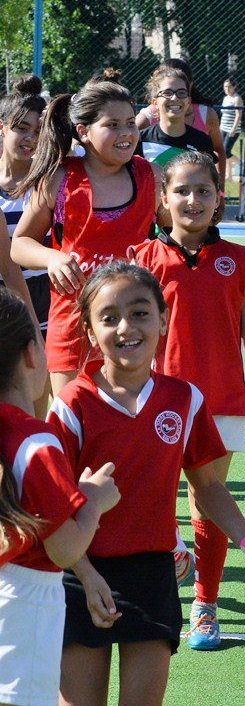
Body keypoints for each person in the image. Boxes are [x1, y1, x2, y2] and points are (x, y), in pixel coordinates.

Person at [48, 262, 245, 706]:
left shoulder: (183, 398)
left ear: (163, 319)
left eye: (140, 313)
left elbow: (207, 485)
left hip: (152, 573)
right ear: (88, 329)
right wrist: (84, 572)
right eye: (109, 317)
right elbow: (50, 508)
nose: (126, 327)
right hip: (79, 573)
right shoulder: (71, 405)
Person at [129, 151, 245, 650]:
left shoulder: (238, 259)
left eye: (204, 191)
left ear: (219, 200)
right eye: (182, 191)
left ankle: (205, 604)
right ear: (163, 200)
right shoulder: (142, 259)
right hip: (155, 400)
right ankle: (174, 551)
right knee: (150, 493)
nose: (193, 200)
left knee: (206, 497)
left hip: (219, 400)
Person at [0, 286, 118, 706]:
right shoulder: (35, 442)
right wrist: (93, 502)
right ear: (33, 353)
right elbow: (65, 548)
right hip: (23, 604)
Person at [11, 81, 162, 394]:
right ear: (83, 131)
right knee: (75, 430)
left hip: (131, 325)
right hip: (72, 326)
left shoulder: (151, 175)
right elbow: (20, 244)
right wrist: (52, 257)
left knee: (126, 429)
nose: (126, 133)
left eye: (131, 123)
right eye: (112, 125)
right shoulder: (59, 178)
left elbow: (176, 237)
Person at [0, 77, 49, 331]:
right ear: (2, 128)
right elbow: (8, 269)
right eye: (21, 127)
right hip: (6, 302)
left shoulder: (51, 179)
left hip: (49, 296)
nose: (30, 138)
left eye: (38, 131)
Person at [135, 58, 224, 176]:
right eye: (167, 93)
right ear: (155, 102)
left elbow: (206, 183)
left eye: (181, 93)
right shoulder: (140, 140)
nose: (174, 98)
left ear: (188, 101)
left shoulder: (202, 141)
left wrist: (220, 188)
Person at [219, 79, 245, 183]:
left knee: (226, 152)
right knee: (224, 153)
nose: (227, 89)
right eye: (225, 87)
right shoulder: (226, 98)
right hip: (223, 128)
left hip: (232, 129)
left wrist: (233, 129)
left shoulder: (237, 98)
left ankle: (243, 166)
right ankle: (228, 175)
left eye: (229, 87)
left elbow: (238, 115)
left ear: (234, 87)